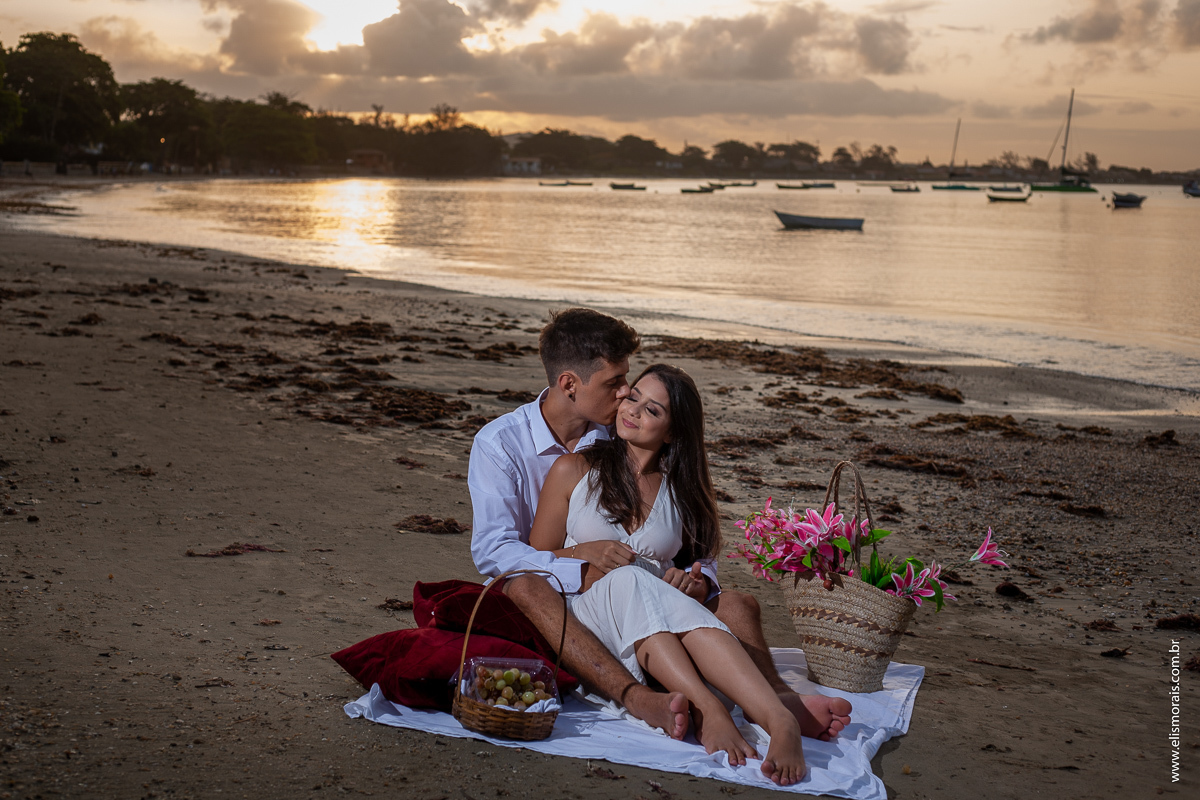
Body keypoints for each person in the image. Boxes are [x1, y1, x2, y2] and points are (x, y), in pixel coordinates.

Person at [467, 308, 851, 752]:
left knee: (738, 603)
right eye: (616, 384)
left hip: (646, 590)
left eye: (631, 387)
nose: (625, 395)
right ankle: (660, 700)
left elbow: (694, 547)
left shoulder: (619, 436)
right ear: (570, 384)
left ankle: (778, 700)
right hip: (557, 592)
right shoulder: (502, 445)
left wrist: (698, 578)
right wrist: (580, 562)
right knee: (530, 586)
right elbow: (496, 551)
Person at [530, 363, 810, 784]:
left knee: (653, 588)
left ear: (673, 432)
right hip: (587, 619)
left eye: (653, 410)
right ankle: (709, 709)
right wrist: (582, 551)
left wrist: (694, 582)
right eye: (634, 397)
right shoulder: (574, 469)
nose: (633, 410)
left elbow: (701, 564)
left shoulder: (681, 491)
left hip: (658, 630)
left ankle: (779, 719)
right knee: (628, 580)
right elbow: (534, 558)